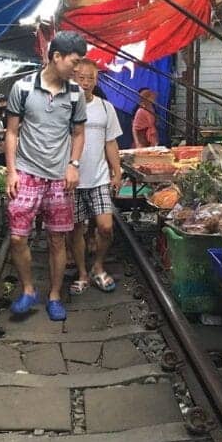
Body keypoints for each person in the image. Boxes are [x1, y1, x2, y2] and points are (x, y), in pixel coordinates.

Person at [5, 30, 87, 321]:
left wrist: (73, 164)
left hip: (59, 178)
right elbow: (12, 132)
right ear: (56, 57)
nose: (78, 69)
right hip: (27, 173)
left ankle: (54, 295)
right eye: (74, 62)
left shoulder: (76, 94)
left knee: (57, 240)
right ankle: (28, 290)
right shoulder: (23, 88)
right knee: (17, 238)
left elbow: (79, 133)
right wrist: (11, 171)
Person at [69, 58, 122, 295]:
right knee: (76, 229)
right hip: (72, 179)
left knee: (106, 227)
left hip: (99, 177)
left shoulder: (104, 108)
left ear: (96, 80)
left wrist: (117, 172)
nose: (86, 83)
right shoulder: (65, 107)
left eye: (91, 78)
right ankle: (82, 272)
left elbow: (110, 142)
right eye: (81, 78)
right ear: (73, 78)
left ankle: (98, 266)